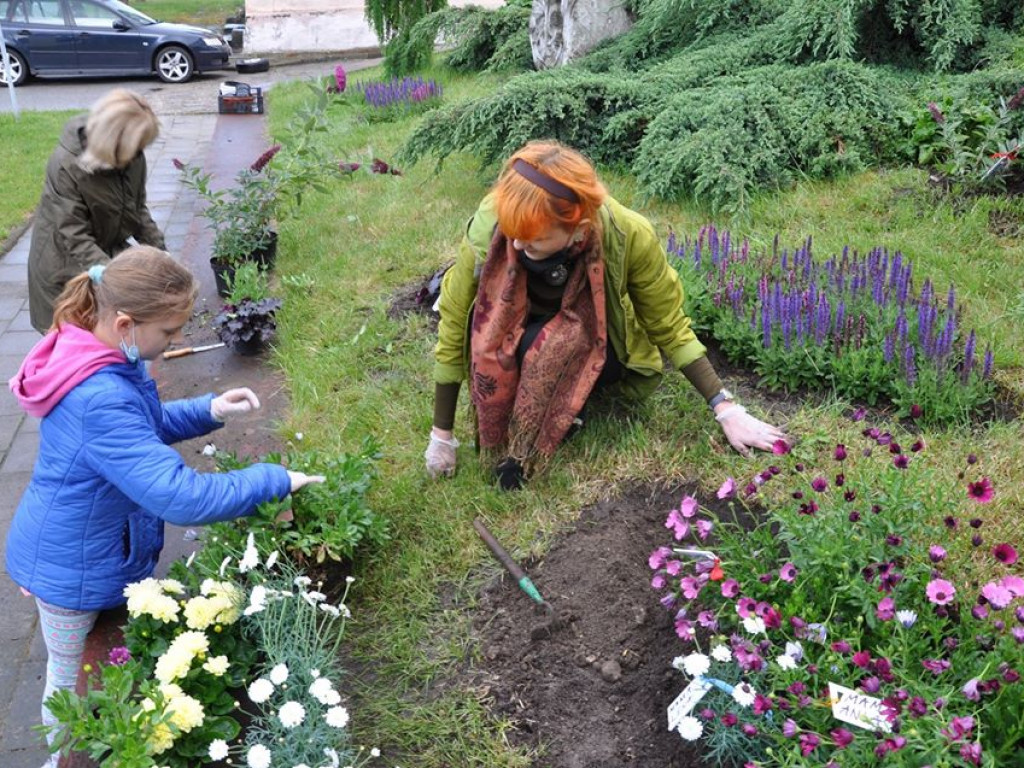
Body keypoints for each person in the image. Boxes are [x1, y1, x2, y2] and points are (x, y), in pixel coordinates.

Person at [4, 246, 324, 767]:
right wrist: (273, 479)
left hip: (90, 550)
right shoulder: (98, 395)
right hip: (68, 570)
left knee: (91, 674)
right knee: (68, 687)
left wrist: (208, 409)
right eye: (170, 333)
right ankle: (60, 760)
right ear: (127, 323)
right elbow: (182, 496)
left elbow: (139, 429)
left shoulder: (98, 355)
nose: (177, 343)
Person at [425, 140, 789, 489]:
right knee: (494, 335)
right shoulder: (493, 223)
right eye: (513, 234)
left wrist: (725, 408)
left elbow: (669, 326)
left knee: (543, 343)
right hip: (518, 329)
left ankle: (567, 406)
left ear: (578, 229)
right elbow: (456, 322)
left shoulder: (628, 234)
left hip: (597, 341)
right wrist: (442, 435)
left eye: (533, 241)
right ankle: (540, 406)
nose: (517, 246)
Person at [28, 88, 167, 333]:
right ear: (113, 142)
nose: (138, 155)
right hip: (64, 270)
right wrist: (117, 282)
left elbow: (137, 209)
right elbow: (74, 235)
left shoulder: (132, 155)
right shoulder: (66, 166)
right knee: (74, 347)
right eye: (134, 149)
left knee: (111, 339)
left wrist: (161, 256)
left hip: (105, 253)